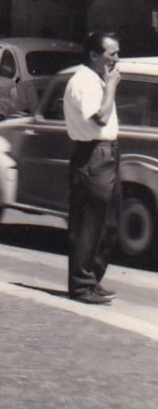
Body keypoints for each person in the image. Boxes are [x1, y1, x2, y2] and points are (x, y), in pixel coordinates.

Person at [64, 32, 121, 305]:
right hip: (93, 154)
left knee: (108, 223)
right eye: (112, 54)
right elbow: (99, 117)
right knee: (89, 223)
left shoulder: (96, 79)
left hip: (107, 153)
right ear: (94, 56)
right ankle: (81, 285)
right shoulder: (83, 81)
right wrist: (111, 87)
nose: (116, 60)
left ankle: (92, 279)